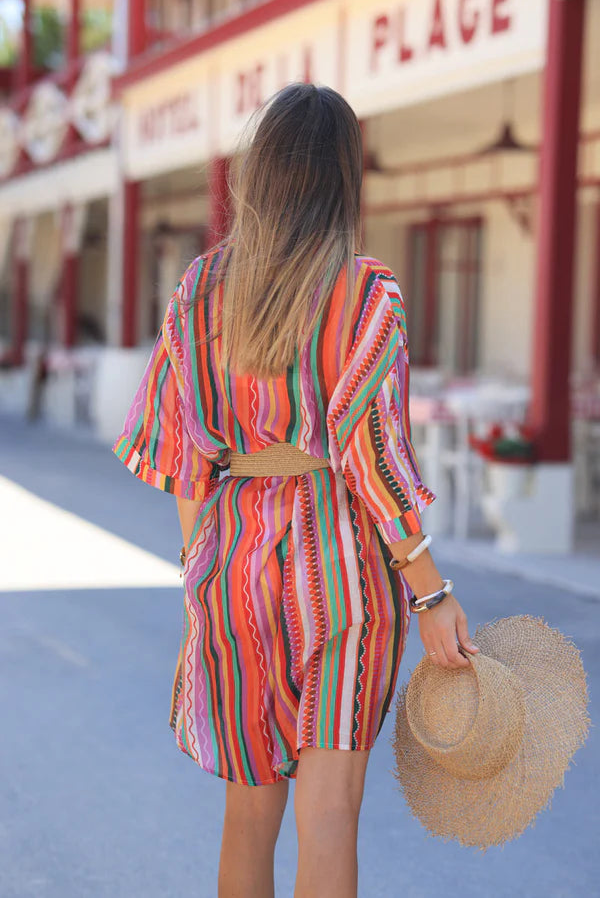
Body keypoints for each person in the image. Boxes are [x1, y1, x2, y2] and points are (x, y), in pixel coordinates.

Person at [112, 82, 479, 898]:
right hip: (342, 578)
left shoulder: (197, 293)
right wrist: (432, 595)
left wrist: (199, 570)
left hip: (230, 565)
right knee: (331, 815)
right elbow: (375, 460)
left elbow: (181, 460)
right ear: (343, 177)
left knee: (249, 816)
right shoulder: (364, 293)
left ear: (260, 173)